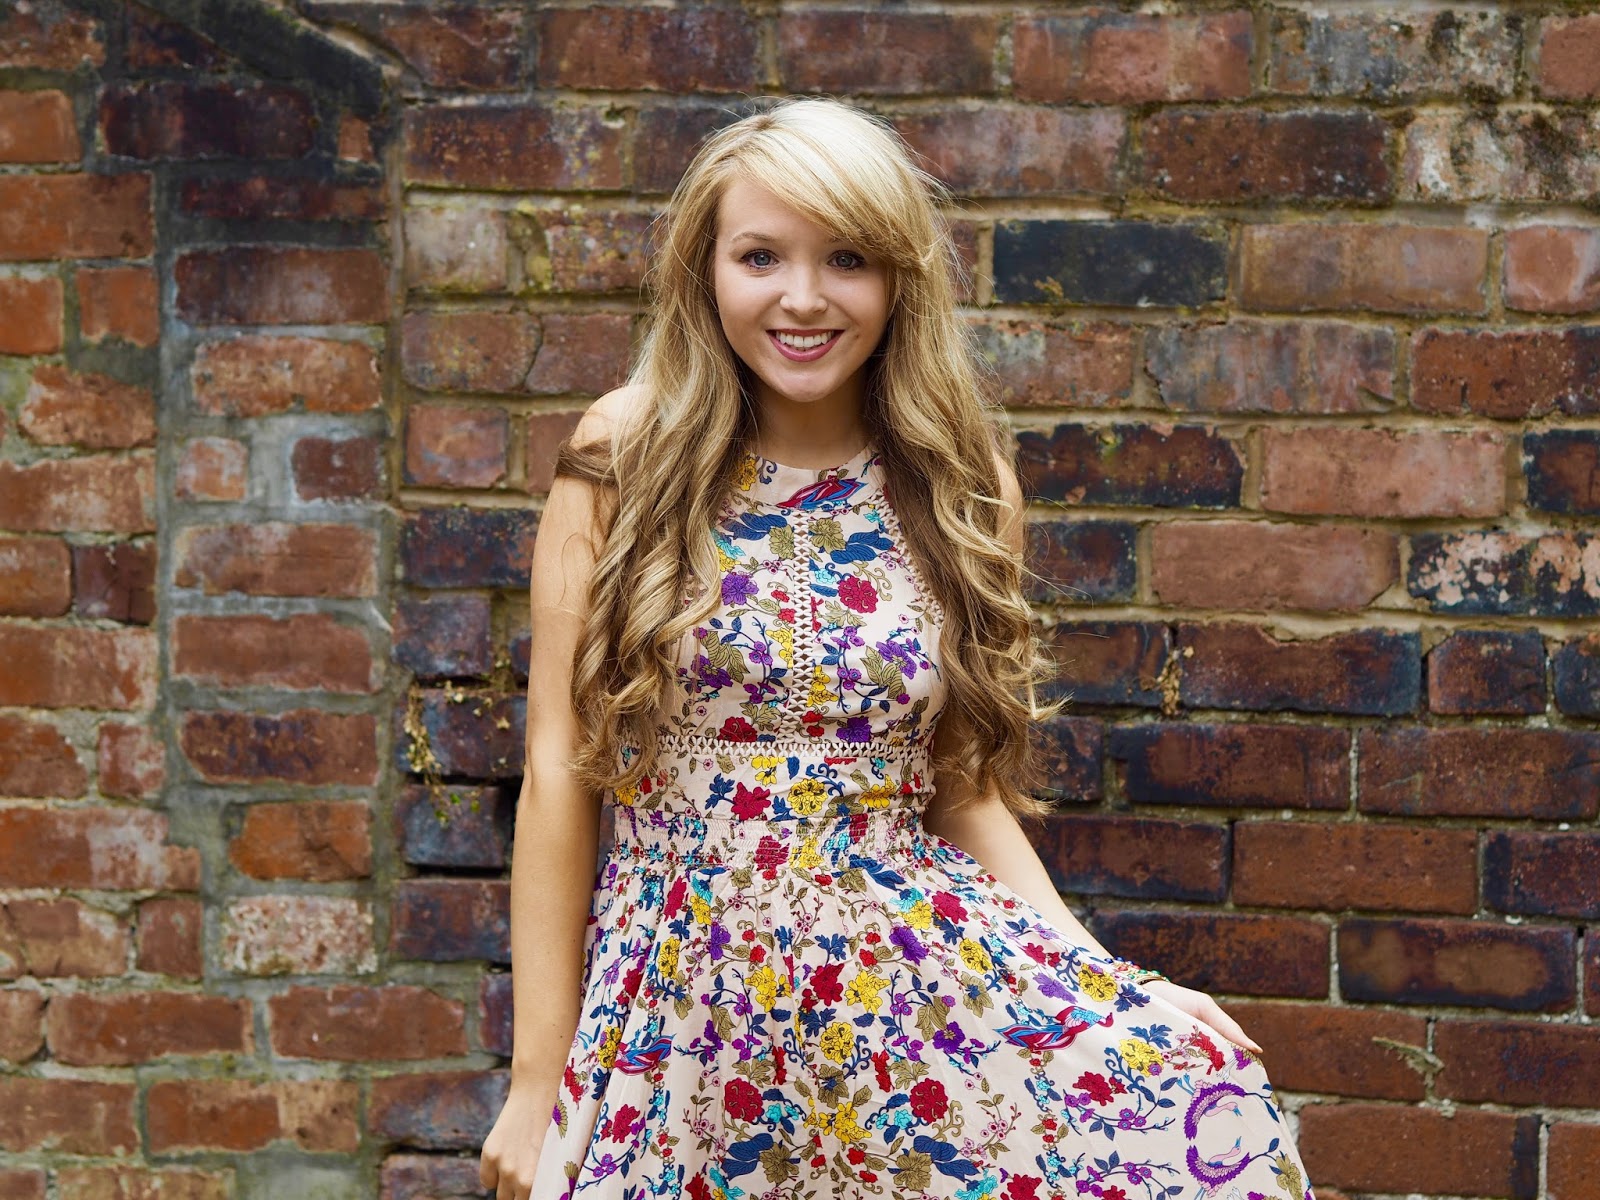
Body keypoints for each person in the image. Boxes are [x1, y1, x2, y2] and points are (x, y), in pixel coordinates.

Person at [479, 97, 1315, 1200]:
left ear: (898, 278)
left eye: (848, 258)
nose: (803, 297)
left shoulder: (960, 487)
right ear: (704, 271)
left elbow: (961, 790)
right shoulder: (625, 452)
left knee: (1201, 1119)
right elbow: (556, 767)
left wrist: (1104, 980)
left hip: (901, 1003)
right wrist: (536, 1077)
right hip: (676, 1008)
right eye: (761, 256)